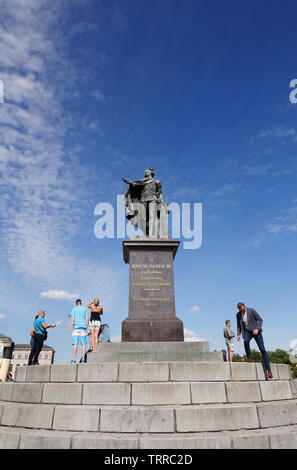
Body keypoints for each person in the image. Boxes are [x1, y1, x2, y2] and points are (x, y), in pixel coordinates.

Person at [236, 302, 273, 379]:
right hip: (247, 332)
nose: (241, 311)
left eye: (242, 309)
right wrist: (238, 334)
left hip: (256, 331)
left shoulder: (251, 310)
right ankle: (249, 357)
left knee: (262, 349)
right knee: (245, 341)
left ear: (244, 307)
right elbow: (239, 326)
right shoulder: (238, 315)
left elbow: (260, 320)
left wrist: (257, 328)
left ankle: (269, 370)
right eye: (239, 310)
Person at [71, 299, 89, 364]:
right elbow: (87, 319)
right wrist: (87, 328)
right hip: (83, 328)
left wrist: (72, 327)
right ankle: (83, 359)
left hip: (76, 328)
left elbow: (73, 319)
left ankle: (73, 360)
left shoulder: (74, 309)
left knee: (75, 344)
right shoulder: (85, 309)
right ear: (81, 303)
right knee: (83, 344)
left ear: (76, 303)